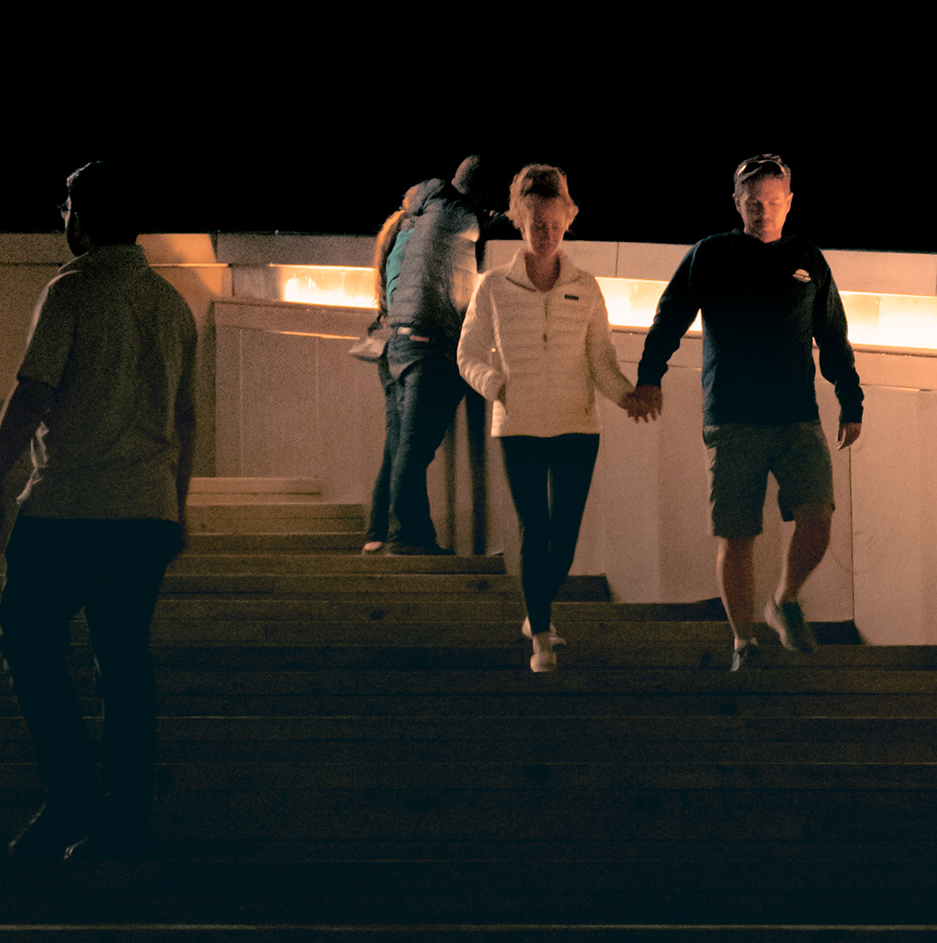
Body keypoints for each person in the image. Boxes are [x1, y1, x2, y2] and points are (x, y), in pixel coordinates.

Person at [0, 163, 194, 871]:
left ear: (82, 218)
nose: (60, 219)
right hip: (146, 510)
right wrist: (176, 508)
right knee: (124, 664)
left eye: (65, 207)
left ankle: (71, 792)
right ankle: (123, 820)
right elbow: (185, 417)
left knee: (28, 641)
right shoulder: (172, 303)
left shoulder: (71, 292)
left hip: (68, 505)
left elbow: (33, 392)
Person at [630, 153, 866, 680]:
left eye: (773, 201)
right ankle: (744, 641)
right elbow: (669, 316)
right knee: (737, 534)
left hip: (796, 416)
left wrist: (850, 399)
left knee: (818, 513)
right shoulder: (709, 255)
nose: (763, 210)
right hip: (731, 418)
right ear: (737, 203)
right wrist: (650, 375)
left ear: (788, 203)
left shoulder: (809, 260)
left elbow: (832, 335)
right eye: (753, 201)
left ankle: (785, 599)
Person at [456, 161, 649, 674]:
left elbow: (600, 359)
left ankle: (535, 609)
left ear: (570, 219)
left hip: (576, 425)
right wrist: (496, 386)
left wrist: (627, 396)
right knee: (532, 528)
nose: (545, 233)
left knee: (564, 536)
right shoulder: (493, 286)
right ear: (518, 220)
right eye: (535, 222)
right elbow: (467, 354)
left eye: (554, 223)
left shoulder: (585, 287)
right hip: (517, 426)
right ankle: (540, 633)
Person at [362, 153, 499, 555]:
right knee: (415, 448)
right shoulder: (458, 216)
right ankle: (408, 537)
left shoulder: (417, 217)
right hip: (427, 344)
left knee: (400, 443)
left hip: (395, 344)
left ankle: (377, 531)